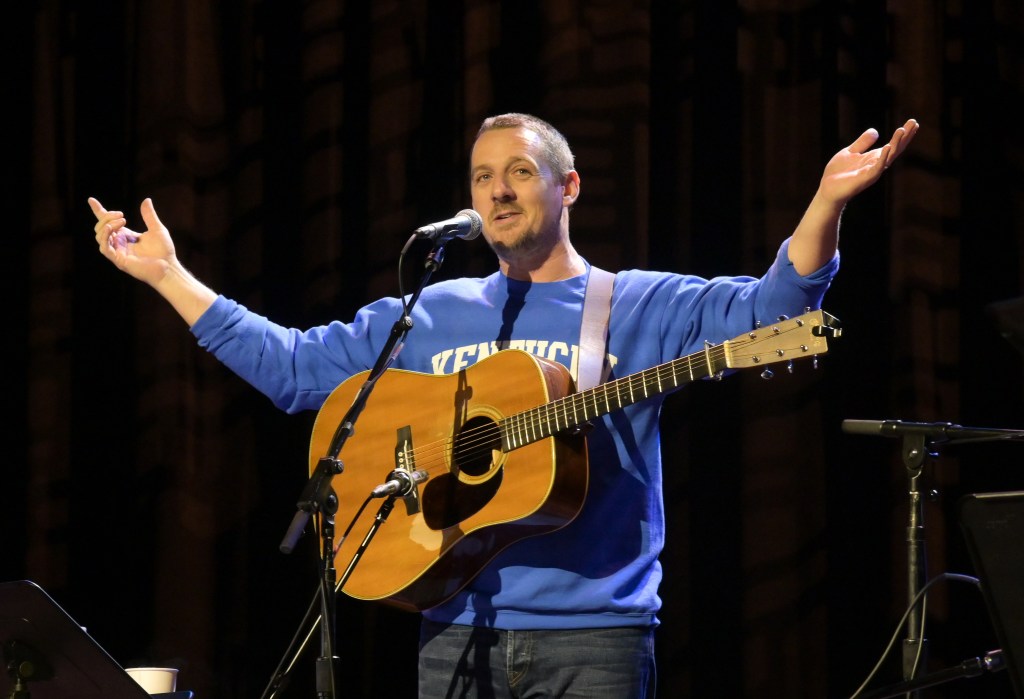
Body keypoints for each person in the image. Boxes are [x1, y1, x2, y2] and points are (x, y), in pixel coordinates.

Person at [90, 112, 918, 697]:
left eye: (520, 171)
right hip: (452, 625)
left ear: (569, 185)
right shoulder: (432, 310)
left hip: (596, 638)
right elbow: (294, 370)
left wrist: (826, 205)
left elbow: (774, 315)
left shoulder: (628, 304)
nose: (499, 190)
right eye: (484, 176)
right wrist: (168, 275)